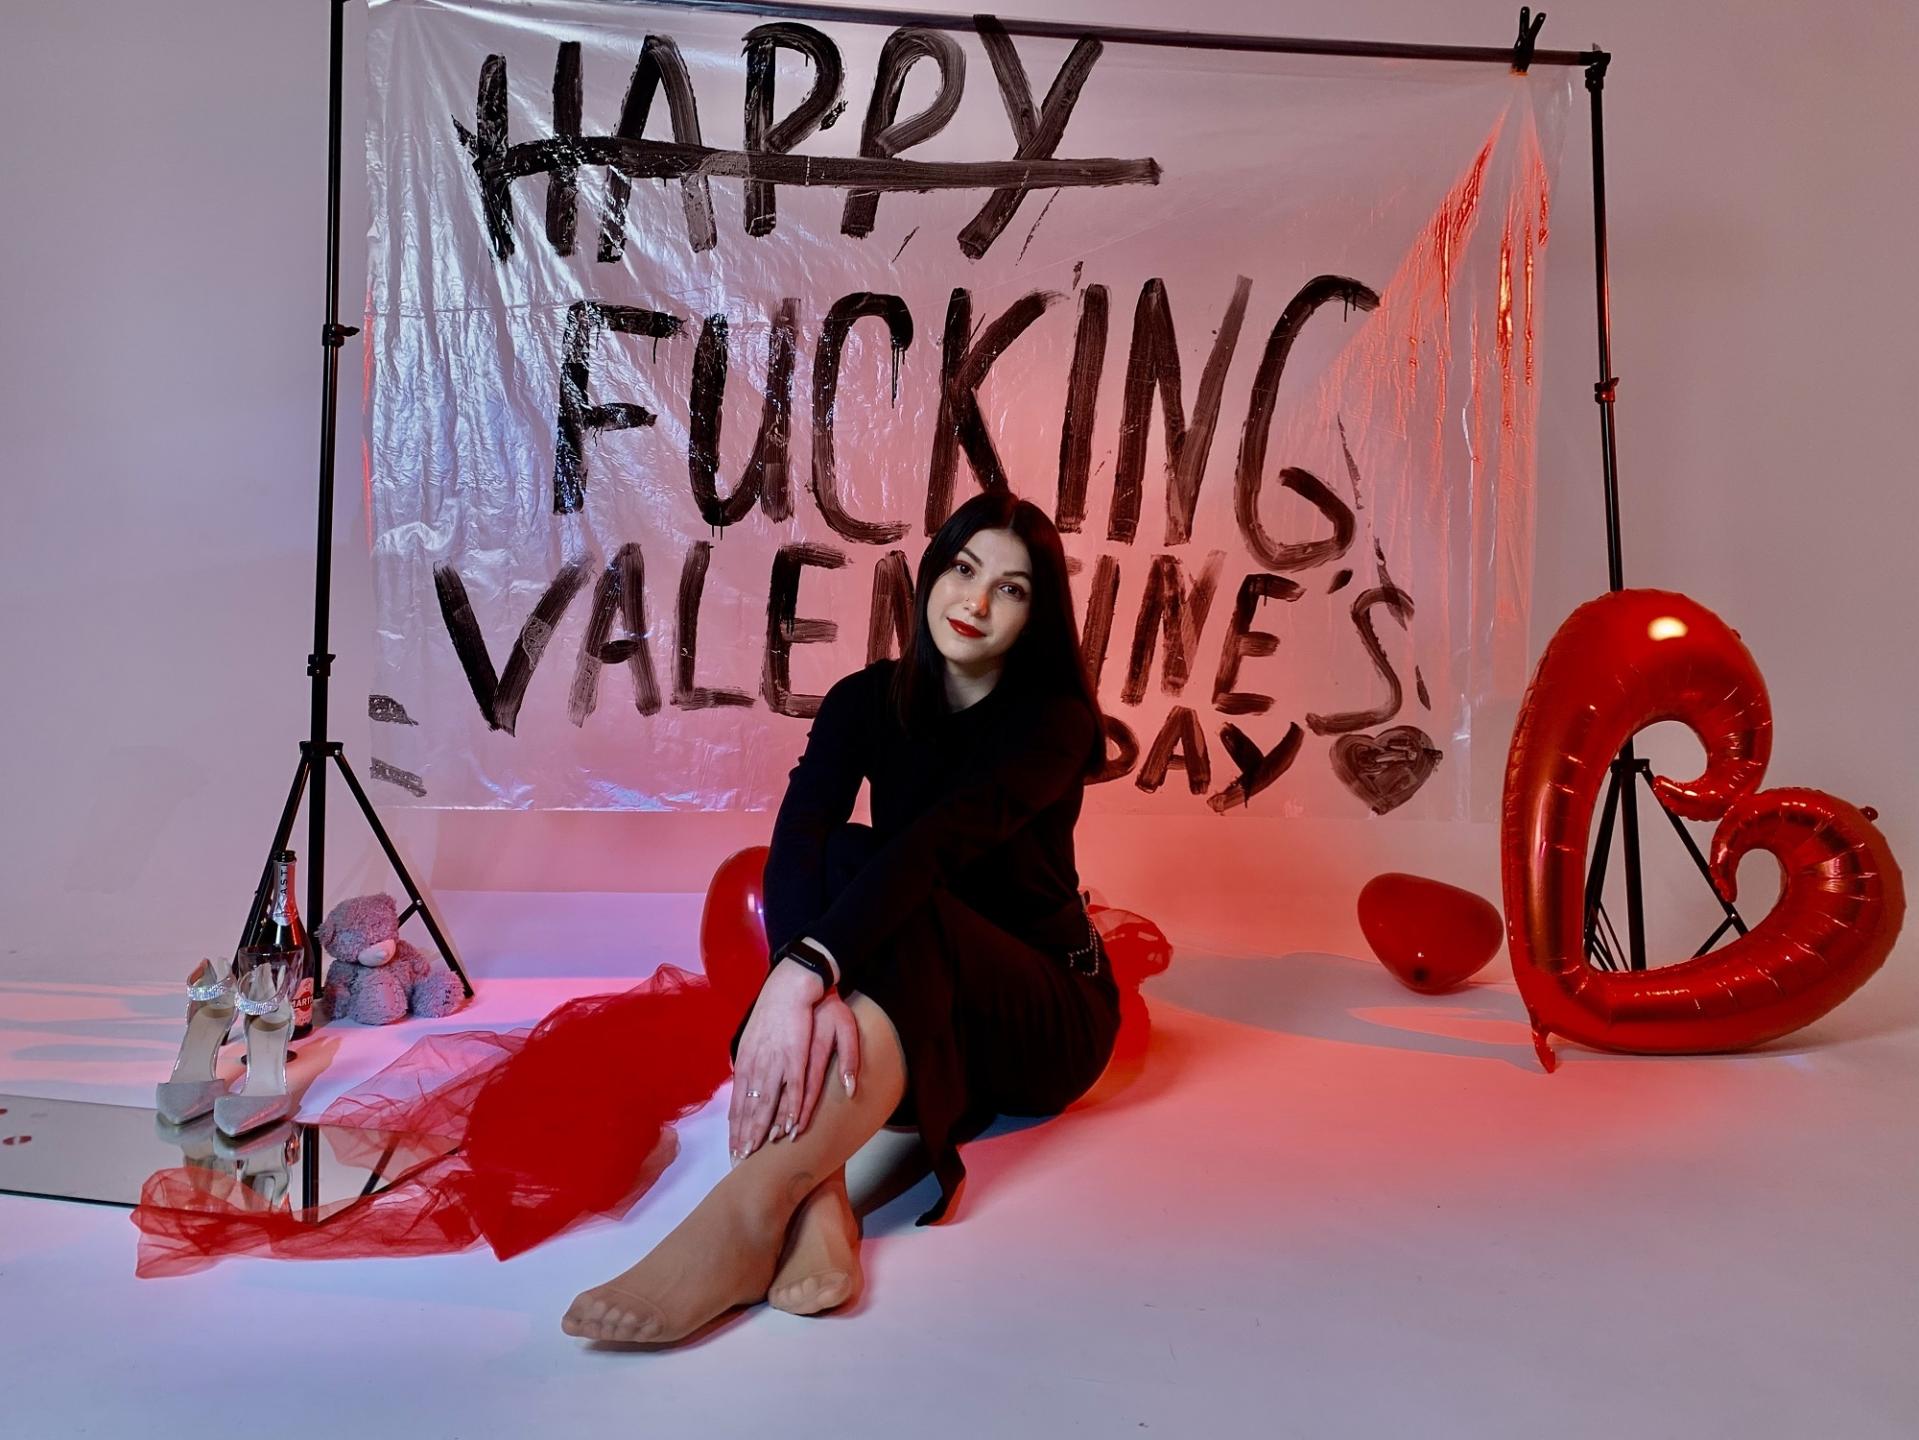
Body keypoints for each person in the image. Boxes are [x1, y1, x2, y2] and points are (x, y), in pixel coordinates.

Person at [562, 490, 1121, 1345]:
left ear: (1035, 614)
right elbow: (800, 835)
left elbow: (936, 847)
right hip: (922, 995)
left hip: (1040, 1016)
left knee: (896, 876)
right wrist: (802, 978)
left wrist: (802, 976)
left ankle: (747, 1208)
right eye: (963, 570)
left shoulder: (1053, 722)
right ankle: (819, 1194)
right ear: (931, 573)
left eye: (1009, 589)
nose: (974, 603)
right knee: (840, 852)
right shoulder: (867, 699)